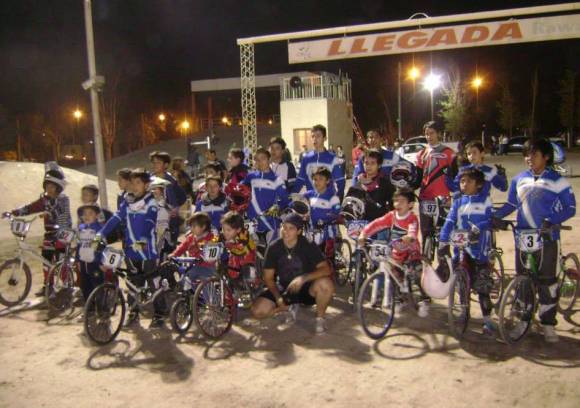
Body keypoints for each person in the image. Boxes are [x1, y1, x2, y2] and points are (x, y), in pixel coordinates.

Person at [494, 139, 576, 343]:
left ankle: (548, 324)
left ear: (546, 157)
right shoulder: (519, 179)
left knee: (548, 283)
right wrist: (496, 217)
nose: (529, 158)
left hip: (547, 238)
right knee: (523, 281)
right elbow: (511, 204)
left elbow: (570, 208)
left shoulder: (558, 180)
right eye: (526, 155)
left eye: (534, 154)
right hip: (523, 237)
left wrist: (552, 220)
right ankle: (524, 321)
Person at [97, 168, 166, 328]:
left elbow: (149, 222)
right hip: (130, 250)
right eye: (133, 182)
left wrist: (143, 240)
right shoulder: (127, 201)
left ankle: (160, 314)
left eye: (138, 183)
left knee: (153, 282)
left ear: (146, 185)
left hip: (147, 252)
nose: (134, 186)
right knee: (132, 283)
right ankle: (134, 312)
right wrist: (100, 234)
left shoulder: (151, 202)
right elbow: (115, 218)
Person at [251, 213, 335, 334]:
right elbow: (268, 278)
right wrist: (278, 298)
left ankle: (320, 319)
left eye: (291, 228)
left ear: (299, 231)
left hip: (307, 288)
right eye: (284, 227)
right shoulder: (274, 247)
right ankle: (285, 308)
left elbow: (326, 269)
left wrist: (303, 278)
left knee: (326, 284)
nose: (286, 231)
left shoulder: (308, 244)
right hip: (285, 287)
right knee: (257, 311)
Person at [439, 168, 496, 334]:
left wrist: (478, 228)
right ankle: (464, 311)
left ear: (478, 184)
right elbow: (449, 222)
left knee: (482, 287)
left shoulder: (485, 200)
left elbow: (489, 220)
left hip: (480, 250)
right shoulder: (458, 202)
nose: (464, 184)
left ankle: (488, 319)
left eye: (469, 181)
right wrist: (443, 241)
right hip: (461, 249)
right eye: (462, 181)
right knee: (462, 284)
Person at [358, 188, 424, 315]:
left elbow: (413, 230)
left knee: (416, 274)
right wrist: (364, 234)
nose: (397, 204)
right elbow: (377, 223)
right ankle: (399, 299)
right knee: (394, 273)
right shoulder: (392, 216)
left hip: (411, 251)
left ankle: (423, 298)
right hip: (396, 250)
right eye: (396, 201)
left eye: (402, 201)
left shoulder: (412, 218)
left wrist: (410, 236)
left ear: (410, 204)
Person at [9, 162, 72, 296]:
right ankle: (48, 286)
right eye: (47, 185)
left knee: (60, 260)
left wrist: (50, 213)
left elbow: (63, 212)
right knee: (46, 260)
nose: (49, 188)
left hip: (63, 234)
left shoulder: (63, 199)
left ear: (58, 187)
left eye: (52, 186)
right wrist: (14, 212)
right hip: (49, 234)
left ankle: (67, 283)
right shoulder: (44, 200)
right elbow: (31, 207)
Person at [415, 121, 455, 254]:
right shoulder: (421, 154)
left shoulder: (449, 153)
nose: (429, 137)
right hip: (425, 198)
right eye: (426, 134)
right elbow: (417, 179)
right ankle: (426, 261)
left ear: (438, 133)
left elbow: (456, 176)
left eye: (431, 133)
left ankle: (444, 261)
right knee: (426, 232)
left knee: (444, 233)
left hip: (443, 199)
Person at [242, 148, 289, 243]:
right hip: (252, 223)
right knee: (252, 252)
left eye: (263, 158)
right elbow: (238, 190)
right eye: (257, 160)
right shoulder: (250, 177)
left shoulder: (277, 179)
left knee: (272, 251)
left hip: (270, 223)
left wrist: (278, 207)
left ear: (269, 160)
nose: (260, 162)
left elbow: (285, 200)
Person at [294, 124, 345, 199]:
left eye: (318, 136)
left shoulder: (333, 158)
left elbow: (340, 181)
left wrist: (338, 199)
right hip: (311, 201)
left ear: (325, 138)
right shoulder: (306, 159)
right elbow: (300, 181)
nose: (314, 139)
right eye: (313, 136)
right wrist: (290, 197)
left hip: (328, 202)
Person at [150, 151, 187, 248]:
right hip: (153, 221)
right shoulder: (149, 180)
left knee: (168, 248)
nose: (155, 165)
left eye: (158, 162)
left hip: (169, 222)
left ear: (166, 165)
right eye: (153, 162)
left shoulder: (171, 181)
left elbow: (182, 197)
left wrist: (173, 210)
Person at [346, 149, 395, 223]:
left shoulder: (386, 184)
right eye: (366, 163)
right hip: (361, 226)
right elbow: (348, 207)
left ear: (379, 165)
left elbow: (394, 206)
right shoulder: (357, 185)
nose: (369, 166)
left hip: (380, 225)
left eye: (372, 163)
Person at [303, 167, 341, 260]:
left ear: (327, 181)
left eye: (321, 179)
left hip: (328, 234)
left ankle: (332, 265)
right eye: (315, 179)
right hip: (313, 232)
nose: (317, 182)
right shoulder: (310, 194)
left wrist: (326, 218)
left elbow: (337, 214)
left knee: (327, 259)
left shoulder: (333, 197)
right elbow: (297, 200)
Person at [170, 212, 218, 283]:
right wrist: (174, 254)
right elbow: (182, 247)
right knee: (183, 277)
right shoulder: (191, 238)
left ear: (203, 227)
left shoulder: (211, 238)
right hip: (193, 266)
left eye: (194, 226)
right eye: (191, 226)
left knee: (191, 276)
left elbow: (212, 254)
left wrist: (203, 254)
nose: (192, 229)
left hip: (208, 268)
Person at [76, 204, 104, 303]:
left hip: (95, 264)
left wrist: (101, 262)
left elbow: (100, 247)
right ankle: (89, 308)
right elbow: (79, 245)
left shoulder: (98, 230)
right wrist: (78, 260)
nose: (87, 216)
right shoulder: (81, 229)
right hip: (84, 263)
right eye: (85, 214)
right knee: (85, 287)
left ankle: (102, 308)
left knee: (98, 287)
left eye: (90, 213)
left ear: (97, 215)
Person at [220, 211, 257, 283]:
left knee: (248, 267)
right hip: (235, 253)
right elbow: (216, 240)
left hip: (247, 252)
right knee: (231, 268)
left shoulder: (243, 234)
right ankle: (234, 282)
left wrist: (230, 244)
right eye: (223, 229)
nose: (225, 232)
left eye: (228, 230)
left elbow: (242, 245)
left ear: (238, 229)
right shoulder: (224, 235)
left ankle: (254, 283)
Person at [149, 176, 172, 260]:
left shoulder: (163, 205)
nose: (153, 191)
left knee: (158, 255)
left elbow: (163, 225)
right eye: (152, 189)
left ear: (162, 191)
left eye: (155, 189)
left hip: (161, 234)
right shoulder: (152, 204)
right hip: (153, 233)